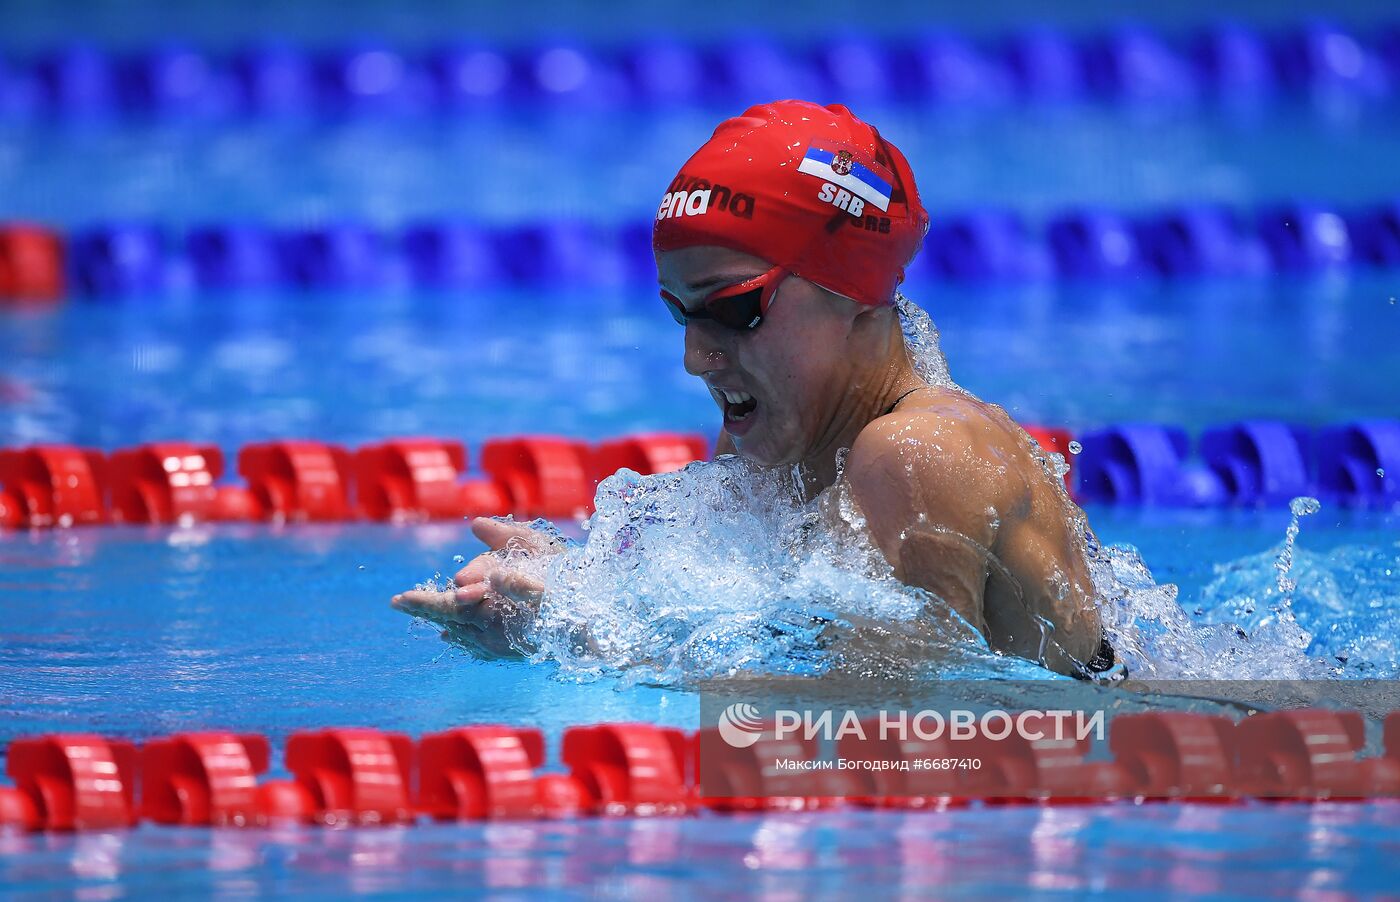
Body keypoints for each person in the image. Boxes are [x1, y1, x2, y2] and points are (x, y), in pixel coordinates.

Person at [393, 100, 1116, 678]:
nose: (695, 358)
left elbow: (897, 730)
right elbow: (781, 638)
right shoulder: (779, 438)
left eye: (734, 308)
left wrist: (588, 639)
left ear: (850, 287)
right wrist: (577, 591)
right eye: (680, 313)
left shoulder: (915, 451)